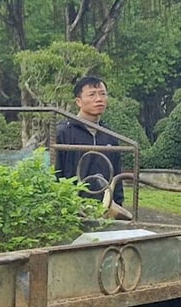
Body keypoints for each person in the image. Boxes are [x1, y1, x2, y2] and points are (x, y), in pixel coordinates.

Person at [54, 75, 129, 212]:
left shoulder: (110, 135)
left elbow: (117, 176)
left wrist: (117, 204)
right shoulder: (63, 133)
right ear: (78, 101)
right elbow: (55, 173)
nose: (99, 99)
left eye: (102, 94)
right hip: (71, 209)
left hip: (103, 210)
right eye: (92, 94)